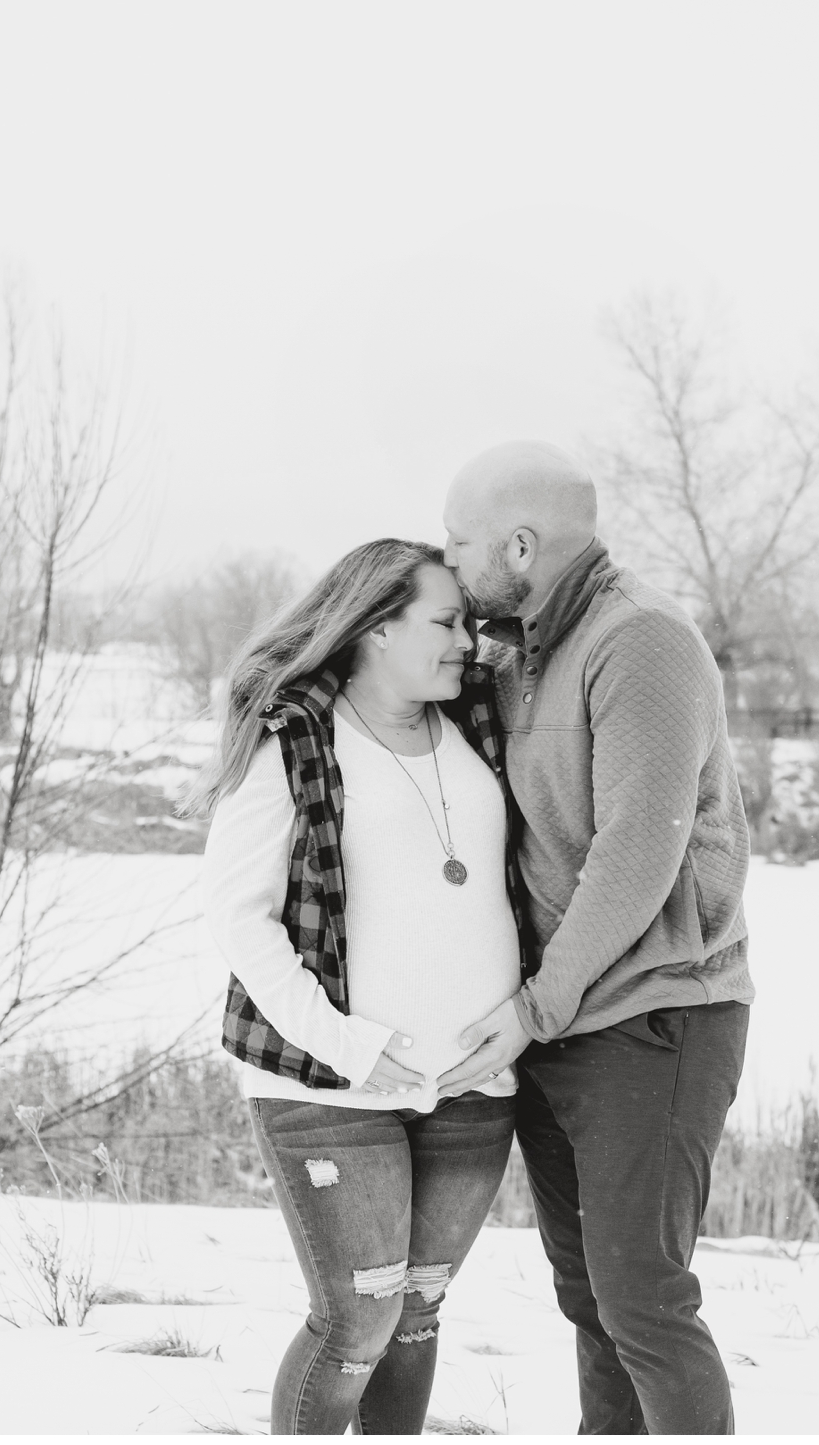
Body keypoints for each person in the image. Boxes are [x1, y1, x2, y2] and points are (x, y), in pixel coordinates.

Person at [433, 440, 755, 1435]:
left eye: (460, 541)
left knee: (644, 1299)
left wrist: (533, 1004)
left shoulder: (640, 642)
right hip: (563, 1020)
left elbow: (636, 857)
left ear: (521, 545)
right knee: (592, 1300)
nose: (449, 561)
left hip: (654, 1013)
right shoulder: (517, 650)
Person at [180, 537, 528, 1436]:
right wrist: (350, 1048)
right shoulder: (296, 737)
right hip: (329, 1088)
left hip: (473, 1086)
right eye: (445, 622)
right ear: (377, 625)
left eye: (470, 622)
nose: (468, 641)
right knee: (357, 1321)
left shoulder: (480, 723)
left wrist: (522, 1016)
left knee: (413, 1319)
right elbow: (238, 917)